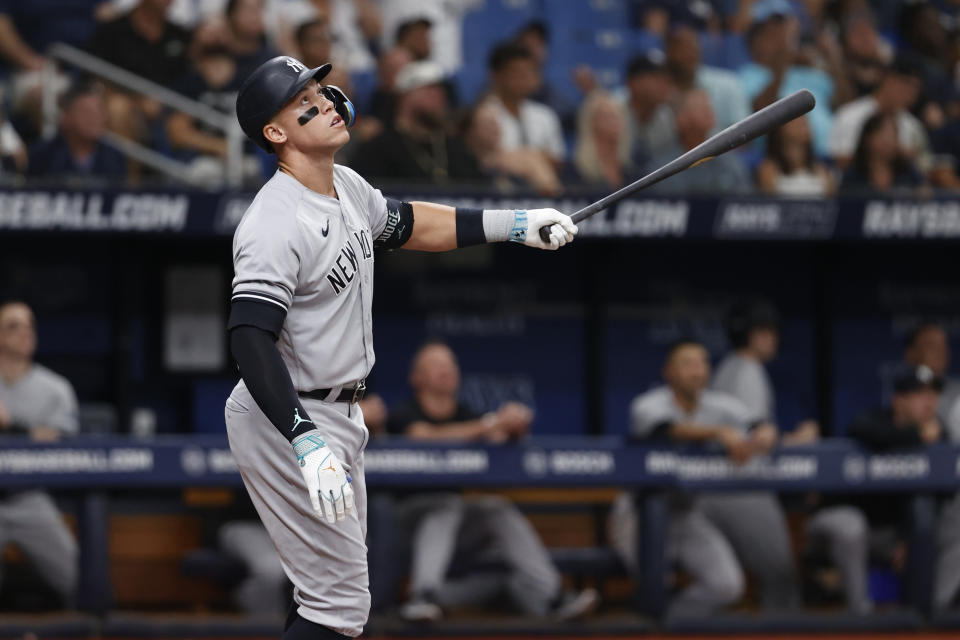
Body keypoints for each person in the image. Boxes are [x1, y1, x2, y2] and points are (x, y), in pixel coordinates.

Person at [225, 55, 577, 639]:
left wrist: (514, 224)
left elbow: (410, 224)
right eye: (304, 98)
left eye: (321, 88)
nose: (328, 102)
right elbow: (248, 337)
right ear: (276, 132)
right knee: (339, 605)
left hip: (333, 410)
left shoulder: (345, 185)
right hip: (288, 413)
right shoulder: (273, 222)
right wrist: (304, 439)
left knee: (328, 594)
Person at [385, 341, 598, 621]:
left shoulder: (465, 413)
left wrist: (513, 427)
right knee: (446, 505)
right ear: (417, 377)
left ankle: (552, 596)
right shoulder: (404, 411)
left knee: (495, 508)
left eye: (450, 364)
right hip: (402, 527)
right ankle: (422, 596)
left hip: (453, 529)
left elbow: (495, 437)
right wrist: (490, 424)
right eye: (435, 365)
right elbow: (423, 436)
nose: (446, 370)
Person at [613, 338, 799, 615]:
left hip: (686, 515)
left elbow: (758, 425)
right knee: (654, 586)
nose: (697, 370)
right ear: (669, 372)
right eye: (687, 364)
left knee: (728, 586)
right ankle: (654, 625)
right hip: (639, 515)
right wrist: (718, 432)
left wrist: (763, 435)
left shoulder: (721, 404)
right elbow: (666, 429)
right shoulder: (648, 404)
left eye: (702, 363)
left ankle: (671, 623)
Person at [712, 300, 871, 614]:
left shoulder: (727, 368)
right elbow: (755, 439)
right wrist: (799, 440)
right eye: (766, 332)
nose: (773, 339)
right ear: (752, 335)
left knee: (770, 579)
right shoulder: (748, 371)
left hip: (722, 485)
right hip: (744, 486)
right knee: (781, 581)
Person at [0, 301, 79, 608]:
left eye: (29, 325)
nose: (25, 332)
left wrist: (12, 426)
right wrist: (34, 432)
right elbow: (42, 434)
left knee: (79, 577)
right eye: (13, 326)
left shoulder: (55, 388)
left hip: (30, 497)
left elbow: (61, 440)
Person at [350, 60, 482, 185]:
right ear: (405, 96)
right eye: (431, 89)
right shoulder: (377, 150)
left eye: (442, 91)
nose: (440, 97)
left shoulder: (456, 149)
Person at [88, 0, 193, 146]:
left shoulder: (181, 36)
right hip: (128, 107)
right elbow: (97, 77)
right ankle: (126, 169)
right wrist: (138, 99)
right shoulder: (112, 31)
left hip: (172, 109)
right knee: (118, 108)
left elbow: (190, 79)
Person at [738, 0, 836, 158]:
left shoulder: (808, 71)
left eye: (784, 32)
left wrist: (833, 56)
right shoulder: (746, 75)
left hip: (829, 160)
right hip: (779, 161)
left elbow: (843, 102)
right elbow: (759, 113)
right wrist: (783, 59)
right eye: (772, 34)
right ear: (754, 41)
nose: (781, 39)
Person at [829, 54, 931, 171]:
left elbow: (925, 166)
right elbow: (836, 161)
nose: (911, 92)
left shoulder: (913, 126)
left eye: (916, 87)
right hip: (856, 186)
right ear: (887, 78)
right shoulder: (850, 115)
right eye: (905, 83)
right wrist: (885, 154)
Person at [642, 89, 750, 194]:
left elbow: (743, 200)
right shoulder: (661, 163)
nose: (709, 111)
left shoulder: (727, 157)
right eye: (701, 107)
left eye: (709, 106)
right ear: (681, 118)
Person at [483, 42, 565, 165]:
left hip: (540, 181)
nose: (523, 79)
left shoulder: (545, 115)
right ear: (496, 75)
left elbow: (558, 160)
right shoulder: (483, 115)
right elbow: (488, 161)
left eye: (528, 73)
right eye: (516, 73)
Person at [27, 82, 126, 183]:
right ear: (66, 117)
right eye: (87, 112)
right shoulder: (43, 155)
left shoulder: (115, 155)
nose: (95, 118)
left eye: (99, 111)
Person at [665, 24, 750, 134]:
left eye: (692, 47)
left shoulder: (728, 83)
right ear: (668, 52)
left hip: (722, 149)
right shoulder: (658, 92)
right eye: (680, 48)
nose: (688, 53)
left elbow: (745, 135)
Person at [462, 101, 560, 195]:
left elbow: (553, 194)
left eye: (496, 122)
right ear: (470, 131)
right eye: (486, 124)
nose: (494, 128)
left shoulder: (527, 159)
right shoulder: (458, 161)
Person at [618, 49, 675, 172]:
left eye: (667, 76)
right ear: (633, 83)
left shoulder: (667, 116)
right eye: (657, 77)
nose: (666, 82)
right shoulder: (611, 111)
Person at [839, 112, 924, 195]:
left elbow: (924, 190)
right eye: (883, 137)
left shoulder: (907, 170)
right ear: (867, 139)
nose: (889, 142)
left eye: (893, 136)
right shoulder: (854, 173)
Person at [905, 322, 960, 442]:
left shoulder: (957, 391)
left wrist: (942, 432)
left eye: (943, 346)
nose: (940, 352)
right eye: (931, 346)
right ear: (911, 353)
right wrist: (916, 433)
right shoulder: (903, 391)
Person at [756, 115, 835, 196]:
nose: (802, 124)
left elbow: (830, 203)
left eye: (804, 121)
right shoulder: (768, 169)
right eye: (795, 121)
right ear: (780, 129)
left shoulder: (821, 169)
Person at [572, 91, 630, 189]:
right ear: (592, 122)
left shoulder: (631, 167)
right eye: (608, 117)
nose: (615, 123)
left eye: (617, 117)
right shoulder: (577, 170)